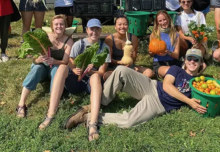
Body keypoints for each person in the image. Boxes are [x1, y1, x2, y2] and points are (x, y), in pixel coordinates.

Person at [65, 49, 206, 134]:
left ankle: (87, 117)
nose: (192, 61)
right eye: (189, 58)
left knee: (128, 121)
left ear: (201, 63)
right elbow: (167, 86)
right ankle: (95, 105)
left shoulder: (201, 83)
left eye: (196, 59)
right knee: (121, 70)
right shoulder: (177, 70)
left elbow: (209, 98)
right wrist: (189, 102)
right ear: (185, 60)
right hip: (152, 86)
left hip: (159, 104)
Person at [39, 19, 110, 141]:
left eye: (97, 29)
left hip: (91, 83)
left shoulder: (104, 48)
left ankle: (92, 124)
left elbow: (102, 71)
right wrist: (75, 69)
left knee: (96, 76)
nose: (94, 32)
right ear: (87, 30)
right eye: (92, 29)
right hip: (76, 81)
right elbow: (70, 63)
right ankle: (50, 115)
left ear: (100, 31)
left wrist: (92, 71)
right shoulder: (79, 44)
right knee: (62, 67)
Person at [16, 15, 74, 118]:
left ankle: (52, 103)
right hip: (42, 67)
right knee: (36, 68)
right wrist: (39, 59)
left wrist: (54, 61)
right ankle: (21, 104)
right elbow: (34, 59)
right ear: (52, 26)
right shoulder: (44, 37)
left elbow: (65, 62)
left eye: (61, 24)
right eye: (56, 24)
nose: (59, 26)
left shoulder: (68, 41)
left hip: (56, 66)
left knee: (57, 71)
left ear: (65, 26)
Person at [149, 11, 182, 78]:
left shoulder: (175, 35)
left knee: (191, 67)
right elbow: (151, 54)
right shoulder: (154, 35)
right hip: (159, 63)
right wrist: (153, 52)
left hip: (173, 62)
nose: (163, 22)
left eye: (164, 19)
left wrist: (168, 52)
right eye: (160, 21)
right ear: (157, 22)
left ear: (169, 19)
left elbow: (176, 55)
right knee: (171, 72)